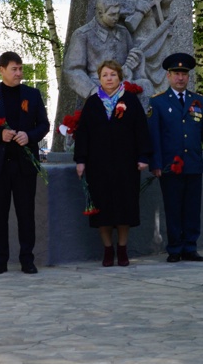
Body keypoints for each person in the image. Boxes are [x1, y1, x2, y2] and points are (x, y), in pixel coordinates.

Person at [0, 51, 49, 275]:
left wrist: (30, 136)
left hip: (24, 164)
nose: (19, 73)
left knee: (26, 213)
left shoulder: (32, 95)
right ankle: (0, 260)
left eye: (21, 68)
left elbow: (44, 125)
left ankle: (27, 259)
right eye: (14, 69)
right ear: (1, 70)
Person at [74, 60, 151, 267]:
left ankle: (123, 249)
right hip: (98, 166)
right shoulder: (92, 103)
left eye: (113, 75)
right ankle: (108, 250)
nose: (109, 78)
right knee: (103, 211)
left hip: (126, 165)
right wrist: (80, 160)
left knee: (124, 208)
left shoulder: (131, 101)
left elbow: (141, 131)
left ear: (120, 77)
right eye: (105, 75)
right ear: (99, 79)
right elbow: (83, 135)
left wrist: (143, 156)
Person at [147, 53, 203, 263]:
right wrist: (156, 163)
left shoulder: (199, 101)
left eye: (184, 74)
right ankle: (175, 247)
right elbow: (154, 136)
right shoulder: (158, 102)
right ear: (168, 76)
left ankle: (190, 247)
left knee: (192, 208)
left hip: (194, 163)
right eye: (176, 74)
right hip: (170, 166)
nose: (180, 78)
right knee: (173, 207)